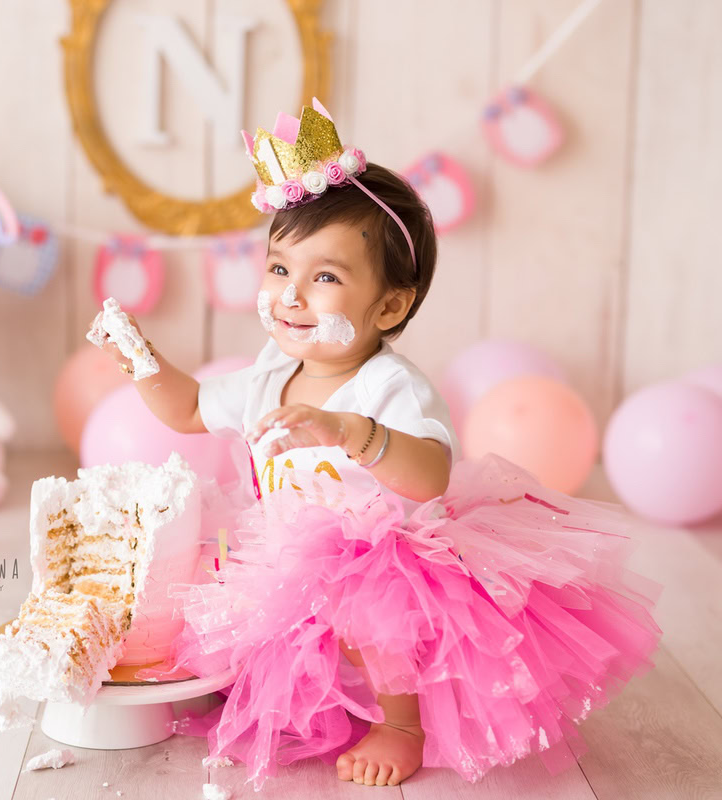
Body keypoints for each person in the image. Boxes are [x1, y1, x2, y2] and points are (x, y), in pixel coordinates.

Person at [91, 98, 662, 791]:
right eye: (278, 270)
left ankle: (400, 722)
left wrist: (350, 432)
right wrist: (145, 363)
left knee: (367, 599)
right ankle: (260, 682)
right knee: (221, 591)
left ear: (389, 306)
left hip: (382, 550)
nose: (290, 295)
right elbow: (185, 408)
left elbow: (429, 476)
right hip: (285, 551)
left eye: (324, 278)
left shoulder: (389, 388)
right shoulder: (270, 374)